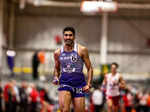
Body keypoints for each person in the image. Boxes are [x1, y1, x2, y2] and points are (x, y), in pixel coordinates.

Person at [52, 26, 93, 112]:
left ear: (74, 37)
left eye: (70, 35)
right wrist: (56, 77)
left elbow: (89, 68)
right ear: (63, 36)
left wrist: (88, 84)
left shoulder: (82, 50)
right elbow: (56, 68)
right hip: (65, 83)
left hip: (79, 84)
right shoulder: (58, 52)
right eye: (66, 35)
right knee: (65, 110)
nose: (68, 37)